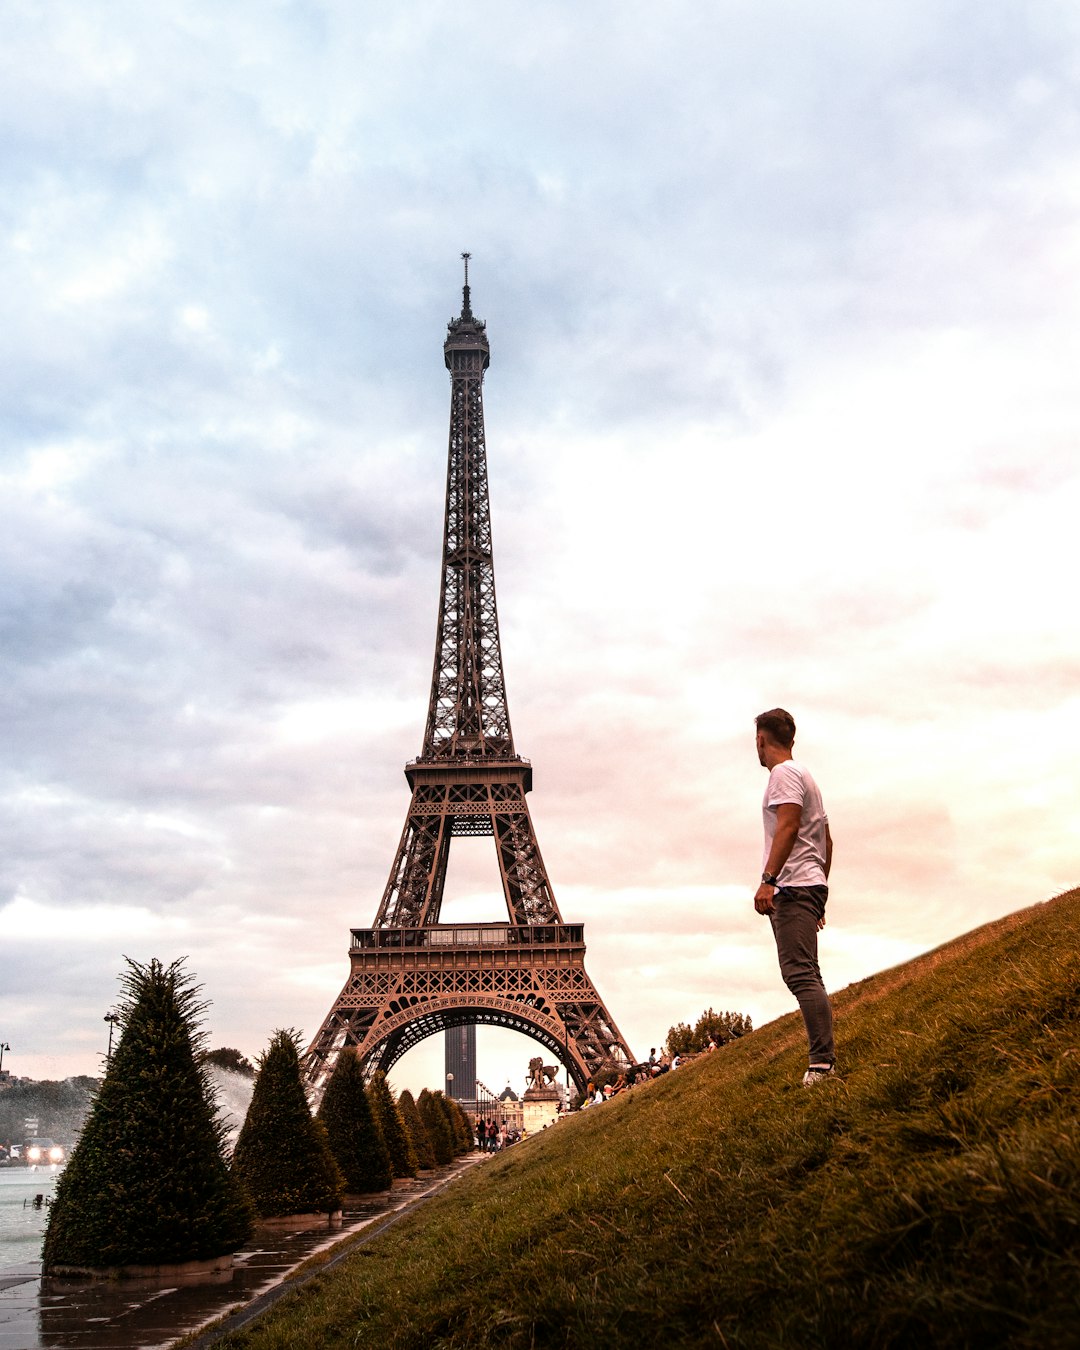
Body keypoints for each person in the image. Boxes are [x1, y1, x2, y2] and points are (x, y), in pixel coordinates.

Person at [753, 708, 836, 1086]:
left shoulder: (783, 775)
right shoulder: (807, 776)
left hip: (792, 885)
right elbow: (827, 840)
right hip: (810, 883)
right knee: (806, 972)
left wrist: (769, 879)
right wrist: (820, 889)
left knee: (800, 974)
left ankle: (822, 1064)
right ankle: (822, 1060)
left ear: (761, 740)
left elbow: (787, 825)